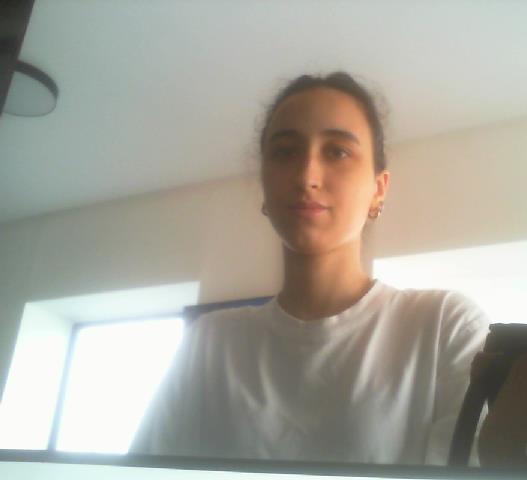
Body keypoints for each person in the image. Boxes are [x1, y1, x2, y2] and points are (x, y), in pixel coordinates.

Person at [129, 71, 490, 465]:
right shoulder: (209, 343)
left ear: (379, 189)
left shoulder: (444, 327)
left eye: (337, 152)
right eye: (285, 152)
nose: (306, 176)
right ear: (264, 184)